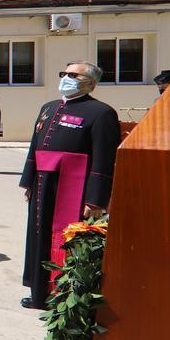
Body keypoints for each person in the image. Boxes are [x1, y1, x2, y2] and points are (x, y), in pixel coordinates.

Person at [19, 61, 120, 310]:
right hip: (43, 182)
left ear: (91, 83)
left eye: (73, 75)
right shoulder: (49, 107)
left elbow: (104, 159)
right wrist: (28, 180)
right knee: (38, 236)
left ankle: (62, 294)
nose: (66, 78)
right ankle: (39, 292)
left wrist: (95, 199)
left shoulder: (101, 113)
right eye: (63, 73)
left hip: (73, 186)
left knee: (65, 239)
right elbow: (35, 145)